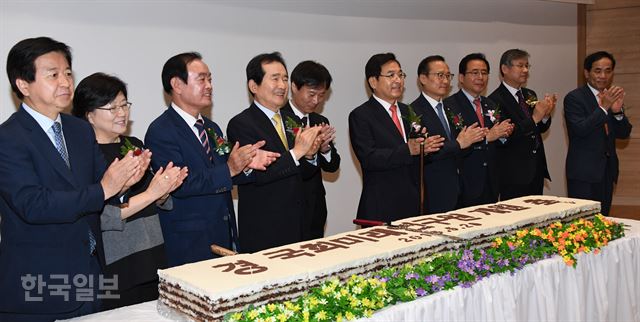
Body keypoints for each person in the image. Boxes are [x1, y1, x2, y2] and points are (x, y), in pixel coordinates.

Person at [0, 37, 142, 321]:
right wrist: (105, 188)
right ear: (23, 85)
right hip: (39, 280)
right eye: (53, 75)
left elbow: (100, 186)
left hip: (89, 271)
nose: (65, 82)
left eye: (67, 73)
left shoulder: (80, 130)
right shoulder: (9, 138)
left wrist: (126, 178)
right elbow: (34, 204)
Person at [145, 52, 277, 266]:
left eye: (210, 79)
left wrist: (246, 165)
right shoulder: (161, 131)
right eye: (201, 79)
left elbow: (223, 176)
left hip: (223, 233)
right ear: (177, 84)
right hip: (189, 242)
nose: (209, 86)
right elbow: (181, 184)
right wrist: (230, 169)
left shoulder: (211, 127)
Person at [72, 73, 188, 309]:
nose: (122, 113)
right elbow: (103, 215)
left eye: (124, 105)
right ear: (89, 115)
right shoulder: (82, 157)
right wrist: (152, 193)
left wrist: (164, 189)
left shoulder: (133, 146)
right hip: (117, 263)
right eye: (112, 107)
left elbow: (152, 200)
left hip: (152, 254)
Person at [227, 52, 322, 252]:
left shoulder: (291, 121)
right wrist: (297, 152)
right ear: (254, 86)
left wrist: (311, 155)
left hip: (300, 226)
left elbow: (300, 174)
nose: (282, 85)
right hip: (265, 230)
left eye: (285, 79)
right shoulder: (241, 124)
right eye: (275, 78)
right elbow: (258, 175)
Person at [349, 53, 444, 222]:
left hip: (416, 205)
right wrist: (409, 149)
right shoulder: (361, 115)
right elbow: (369, 158)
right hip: (382, 206)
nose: (398, 80)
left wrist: (426, 149)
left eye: (400, 75)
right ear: (373, 81)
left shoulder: (409, 111)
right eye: (391, 75)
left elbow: (417, 159)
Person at [411, 55, 486, 213]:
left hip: (461, 189)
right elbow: (428, 153)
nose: (445, 81)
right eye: (439, 76)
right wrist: (459, 144)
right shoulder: (414, 112)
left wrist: (470, 141)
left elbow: (462, 147)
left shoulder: (451, 108)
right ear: (423, 78)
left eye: (447, 76)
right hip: (433, 193)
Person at [564, 51, 632, 216]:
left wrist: (617, 112)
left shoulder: (610, 97)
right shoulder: (574, 98)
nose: (603, 76)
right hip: (583, 173)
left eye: (608, 71)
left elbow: (623, 134)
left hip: (607, 171)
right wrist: (603, 108)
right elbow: (580, 129)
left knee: (604, 222)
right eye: (598, 70)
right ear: (587, 73)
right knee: (584, 225)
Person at [280, 60, 340, 240]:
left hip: (315, 207)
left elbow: (332, 167)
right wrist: (307, 153)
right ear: (294, 87)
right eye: (312, 94)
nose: (316, 101)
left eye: (321, 95)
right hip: (287, 207)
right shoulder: (278, 118)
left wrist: (325, 148)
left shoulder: (319, 120)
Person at [444, 53, 513, 207]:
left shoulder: (490, 104)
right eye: (474, 73)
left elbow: (498, 140)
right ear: (461, 78)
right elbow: (455, 144)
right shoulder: (450, 106)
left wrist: (504, 134)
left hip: (491, 181)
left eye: (484, 73)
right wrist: (488, 137)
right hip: (465, 182)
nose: (480, 77)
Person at [489, 49, 556, 200]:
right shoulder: (495, 100)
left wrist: (545, 116)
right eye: (520, 66)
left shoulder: (529, 94)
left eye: (527, 66)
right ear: (505, 69)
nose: (525, 70)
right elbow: (507, 135)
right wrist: (535, 118)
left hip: (536, 168)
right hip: (513, 173)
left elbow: (540, 129)